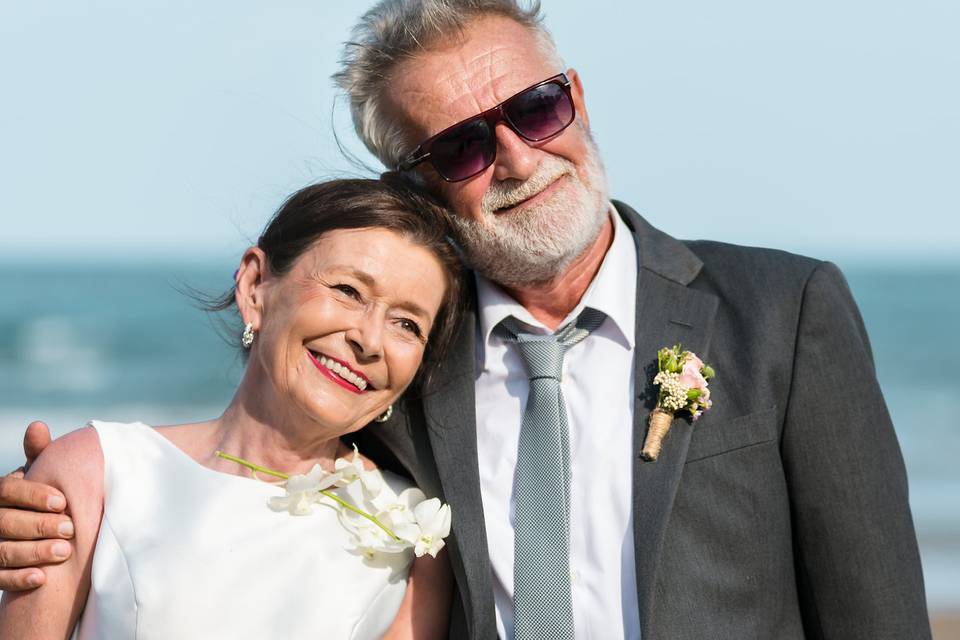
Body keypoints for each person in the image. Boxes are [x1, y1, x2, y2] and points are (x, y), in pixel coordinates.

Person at [0, 1, 932, 638]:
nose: (521, 159)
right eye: (463, 146)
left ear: (576, 94)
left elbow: (875, 610)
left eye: (537, 106)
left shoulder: (783, 311)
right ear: (417, 183)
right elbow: (254, 473)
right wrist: (47, 506)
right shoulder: (407, 368)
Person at [0, 178, 465, 638]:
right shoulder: (95, 474)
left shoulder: (413, 533)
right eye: (347, 290)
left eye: (406, 323)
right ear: (255, 285)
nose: (369, 339)